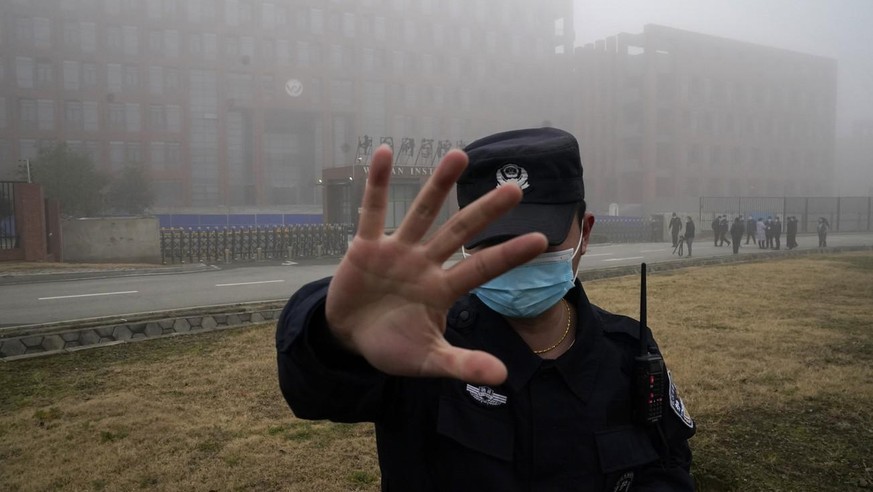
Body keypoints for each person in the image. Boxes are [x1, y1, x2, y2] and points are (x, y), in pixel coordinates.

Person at [275, 128, 695, 490]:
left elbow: (668, 464)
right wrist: (336, 335)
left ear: (584, 232)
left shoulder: (627, 350)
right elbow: (313, 392)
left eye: (539, 239)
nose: (513, 258)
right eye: (493, 239)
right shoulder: (422, 347)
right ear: (464, 242)